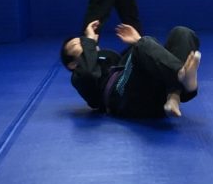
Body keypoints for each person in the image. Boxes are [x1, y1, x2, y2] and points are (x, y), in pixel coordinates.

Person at [61, 20, 201, 118]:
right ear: (72, 64)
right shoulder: (78, 77)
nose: (83, 42)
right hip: (125, 100)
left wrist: (135, 41)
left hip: (150, 92)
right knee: (144, 42)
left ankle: (174, 95)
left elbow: (133, 63)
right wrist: (90, 41)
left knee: (182, 32)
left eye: (82, 40)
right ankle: (183, 81)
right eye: (76, 45)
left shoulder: (108, 58)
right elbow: (88, 74)